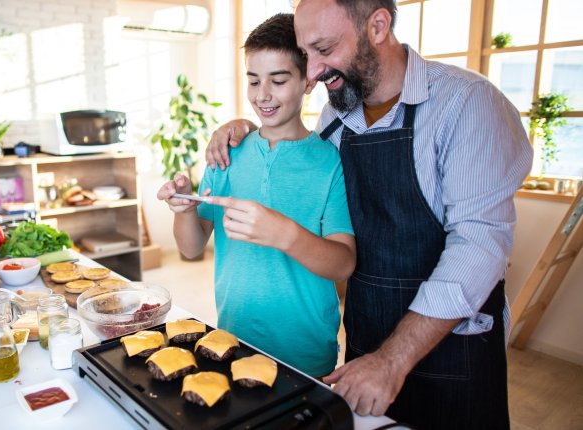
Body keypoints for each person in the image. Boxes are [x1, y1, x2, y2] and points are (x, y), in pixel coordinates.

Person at [204, 0, 533, 428]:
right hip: (366, 343)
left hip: (452, 353)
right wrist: (241, 129)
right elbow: (292, 149)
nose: (316, 71)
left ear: (378, 25)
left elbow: (479, 249)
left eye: (324, 49)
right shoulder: (334, 117)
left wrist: (394, 359)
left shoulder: (467, 104)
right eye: (307, 55)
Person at [157, 13, 356, 378]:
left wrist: (284, 233)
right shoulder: (226, 153)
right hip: (234, 340)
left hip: (307, 351)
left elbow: (343, 263)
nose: (262, 95)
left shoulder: (329, 161)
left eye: (278, 81)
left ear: (308, 81)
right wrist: (184, 210)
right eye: (253, 81)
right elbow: (191, 247)